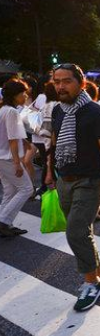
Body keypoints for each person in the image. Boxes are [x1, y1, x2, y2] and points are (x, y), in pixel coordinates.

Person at [46, 64, 100, 312]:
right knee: (82, 230)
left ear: (81, 83)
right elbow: (54, 145)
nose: (60, 86)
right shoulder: (58, 111)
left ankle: (91, 283)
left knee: (76, 231)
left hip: (91, 180)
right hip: (64, 178)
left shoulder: (96, 112)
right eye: (57, 81)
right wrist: (50, 173)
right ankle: (99, 277)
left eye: (66, 81)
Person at [0, 79, 34, 237]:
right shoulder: (12, 112)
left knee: (10, 190)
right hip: (7, 157)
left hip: (3, 156)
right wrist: (17, 163)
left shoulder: (4, 109)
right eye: (23, 93)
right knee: (26, 189)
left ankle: (4, 222)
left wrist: (25, 142)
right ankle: (3, 221)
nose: (25, 95)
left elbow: (11, 134)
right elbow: (12, 139)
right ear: (14, 95)